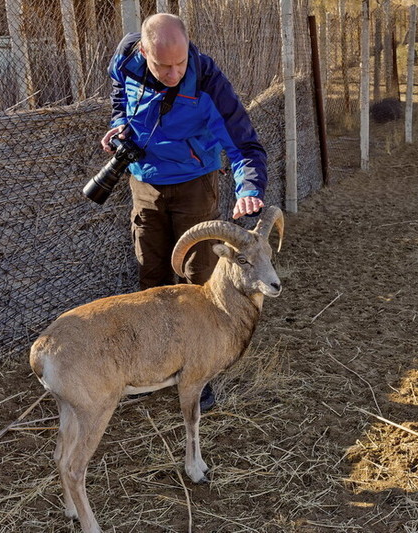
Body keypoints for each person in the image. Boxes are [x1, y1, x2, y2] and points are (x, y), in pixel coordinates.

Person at [102, 13, 268, 411]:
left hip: (195, 182)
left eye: (180, 63)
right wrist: (120, 125)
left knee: (198, 276)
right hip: (145, 183)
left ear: (189, 46)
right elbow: (119, 100)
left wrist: (249, 190)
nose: (174, 72)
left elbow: (245, 146)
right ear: (143, 52)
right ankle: (154, 360)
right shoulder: (125, 60)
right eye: (163, 66)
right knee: (152, 271)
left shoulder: (209, 81)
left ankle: (201, 369)